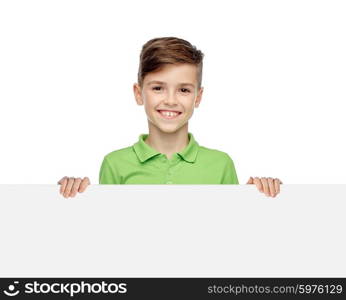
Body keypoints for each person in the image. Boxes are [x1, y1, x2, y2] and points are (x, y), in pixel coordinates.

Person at [58, 37, 282, 198]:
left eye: (184, 90)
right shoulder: (115, 164)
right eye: (158, 88)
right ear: (138, 93)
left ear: (198, 97)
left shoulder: (221, 164)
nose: (171, 100)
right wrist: (76, 197)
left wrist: (259, 197)